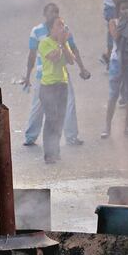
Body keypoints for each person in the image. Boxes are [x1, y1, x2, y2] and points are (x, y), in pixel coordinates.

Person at [23, 3, 90, 147]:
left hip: (62, 74)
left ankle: (71, 136)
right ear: (45, 14)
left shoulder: (64, 30)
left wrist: (82, 68)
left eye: (56, 12)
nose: (54, 14)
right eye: (51, 12)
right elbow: (32, 55)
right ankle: (30, 136)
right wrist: (28, 76)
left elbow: (73, 49)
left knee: (69, 104)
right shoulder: (37, 31)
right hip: (44, 75)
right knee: (38, 106)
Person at [38, 15, 76, 164]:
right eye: (59, 25)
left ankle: (55, 150)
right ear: (51, 28)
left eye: (63, 25)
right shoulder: (44, 43)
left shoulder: (63, 43)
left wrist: (64, 43)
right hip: (48, 86)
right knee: (51, 119)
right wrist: (60, 43)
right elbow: (54, 57)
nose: (62, 28)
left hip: (62, 84)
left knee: (60, 119)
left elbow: (71, 60)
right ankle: (48, 154)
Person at [102, 0, 128, 138]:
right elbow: (116, 37)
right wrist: (123, 23)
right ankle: (107, 127)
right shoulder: (113, 22)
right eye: (123, 8)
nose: (125, 11)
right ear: (118, 10)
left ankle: (127, 126)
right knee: (113, 94)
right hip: (116, 61)